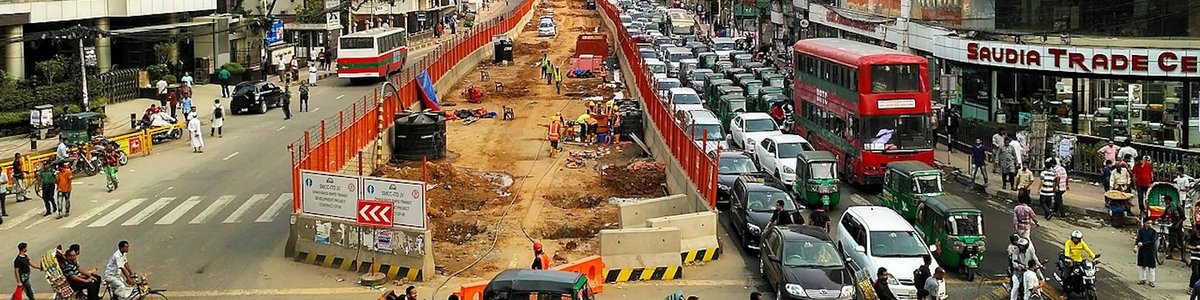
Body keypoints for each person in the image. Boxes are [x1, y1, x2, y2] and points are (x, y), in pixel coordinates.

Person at [1136, 219, 1158, 287]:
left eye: (1151, 223)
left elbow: (1153, 241)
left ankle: (1151, 281)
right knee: (1142, 265)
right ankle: (1142, 279)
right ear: (1145, 223)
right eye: (1148, 223)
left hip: (1150, 250)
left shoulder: (1154, 232)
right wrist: (1136, 245)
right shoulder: (1141, 231)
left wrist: (1143, 244)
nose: (1149, 225)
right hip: (1142, 250)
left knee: (1151, 266)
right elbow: (1138, 239)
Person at [1188, 228, 1200, 295]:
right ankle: (1191, 287)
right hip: (1194, 257)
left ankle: (1197, 287)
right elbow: (1187, 246)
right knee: (1195, 273)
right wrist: (1195, 247)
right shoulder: (1192, 238)